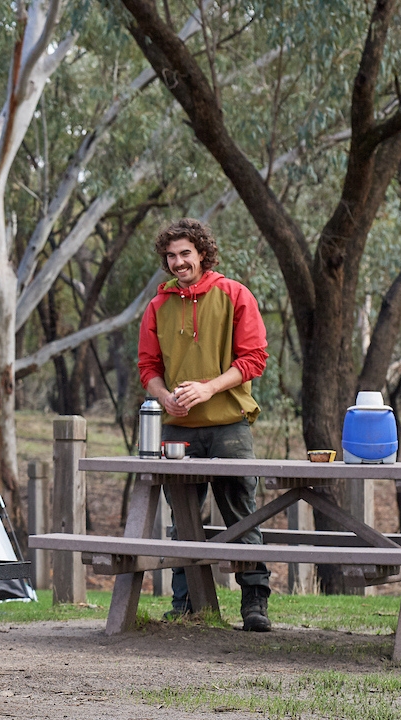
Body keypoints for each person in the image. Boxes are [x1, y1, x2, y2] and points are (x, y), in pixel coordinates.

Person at [136, 218, 273, 632]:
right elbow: (148, 367)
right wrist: (163, 398)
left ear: (202, 254)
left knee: (241, 514)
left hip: (229, 424)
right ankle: (187, 605)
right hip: (178, 430)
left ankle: (254, 606)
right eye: (171, 256)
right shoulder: (158, 306)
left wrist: (210, 389)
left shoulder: (234, 295)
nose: (178, 262)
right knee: (184, 519)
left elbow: (254, 360)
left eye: (185, 254)